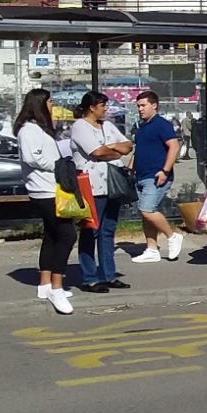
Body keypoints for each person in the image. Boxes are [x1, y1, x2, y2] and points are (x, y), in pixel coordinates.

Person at [15, 88, 76, 315]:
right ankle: (57, 287)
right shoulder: (29, 130)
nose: (52, 105)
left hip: (50, 188)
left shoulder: (39, 129)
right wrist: (58, 165)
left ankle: (45, 282)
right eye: (50, 101)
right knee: (67, 234)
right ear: (40, 104)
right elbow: (33, 157)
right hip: (43, 190)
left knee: (52, 234)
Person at [70, 90, 134, 293]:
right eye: (102, 105)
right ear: (91, 107)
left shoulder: (107, 125)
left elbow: (127, 145)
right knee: (91, 231)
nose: (106, 109)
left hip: (111, 184)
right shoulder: (80, 126)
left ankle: (109, 274)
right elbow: (95, 152)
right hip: (91, 185)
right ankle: (89, 277)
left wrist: (111, 147)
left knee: (108, 230)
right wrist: (112, 151)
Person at [128, 90, 185, 263]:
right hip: (141, 175)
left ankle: (172, 236)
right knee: (146, 213)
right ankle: (151, 249)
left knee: (147, 209)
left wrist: (165, 170)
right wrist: (131, 166)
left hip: (157, 175)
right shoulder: (140, 127)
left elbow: (173, 147)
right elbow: (139, 149)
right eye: (138, 106)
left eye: (143, 105)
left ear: (154, 105)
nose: (140, 109)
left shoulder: (162, 124)